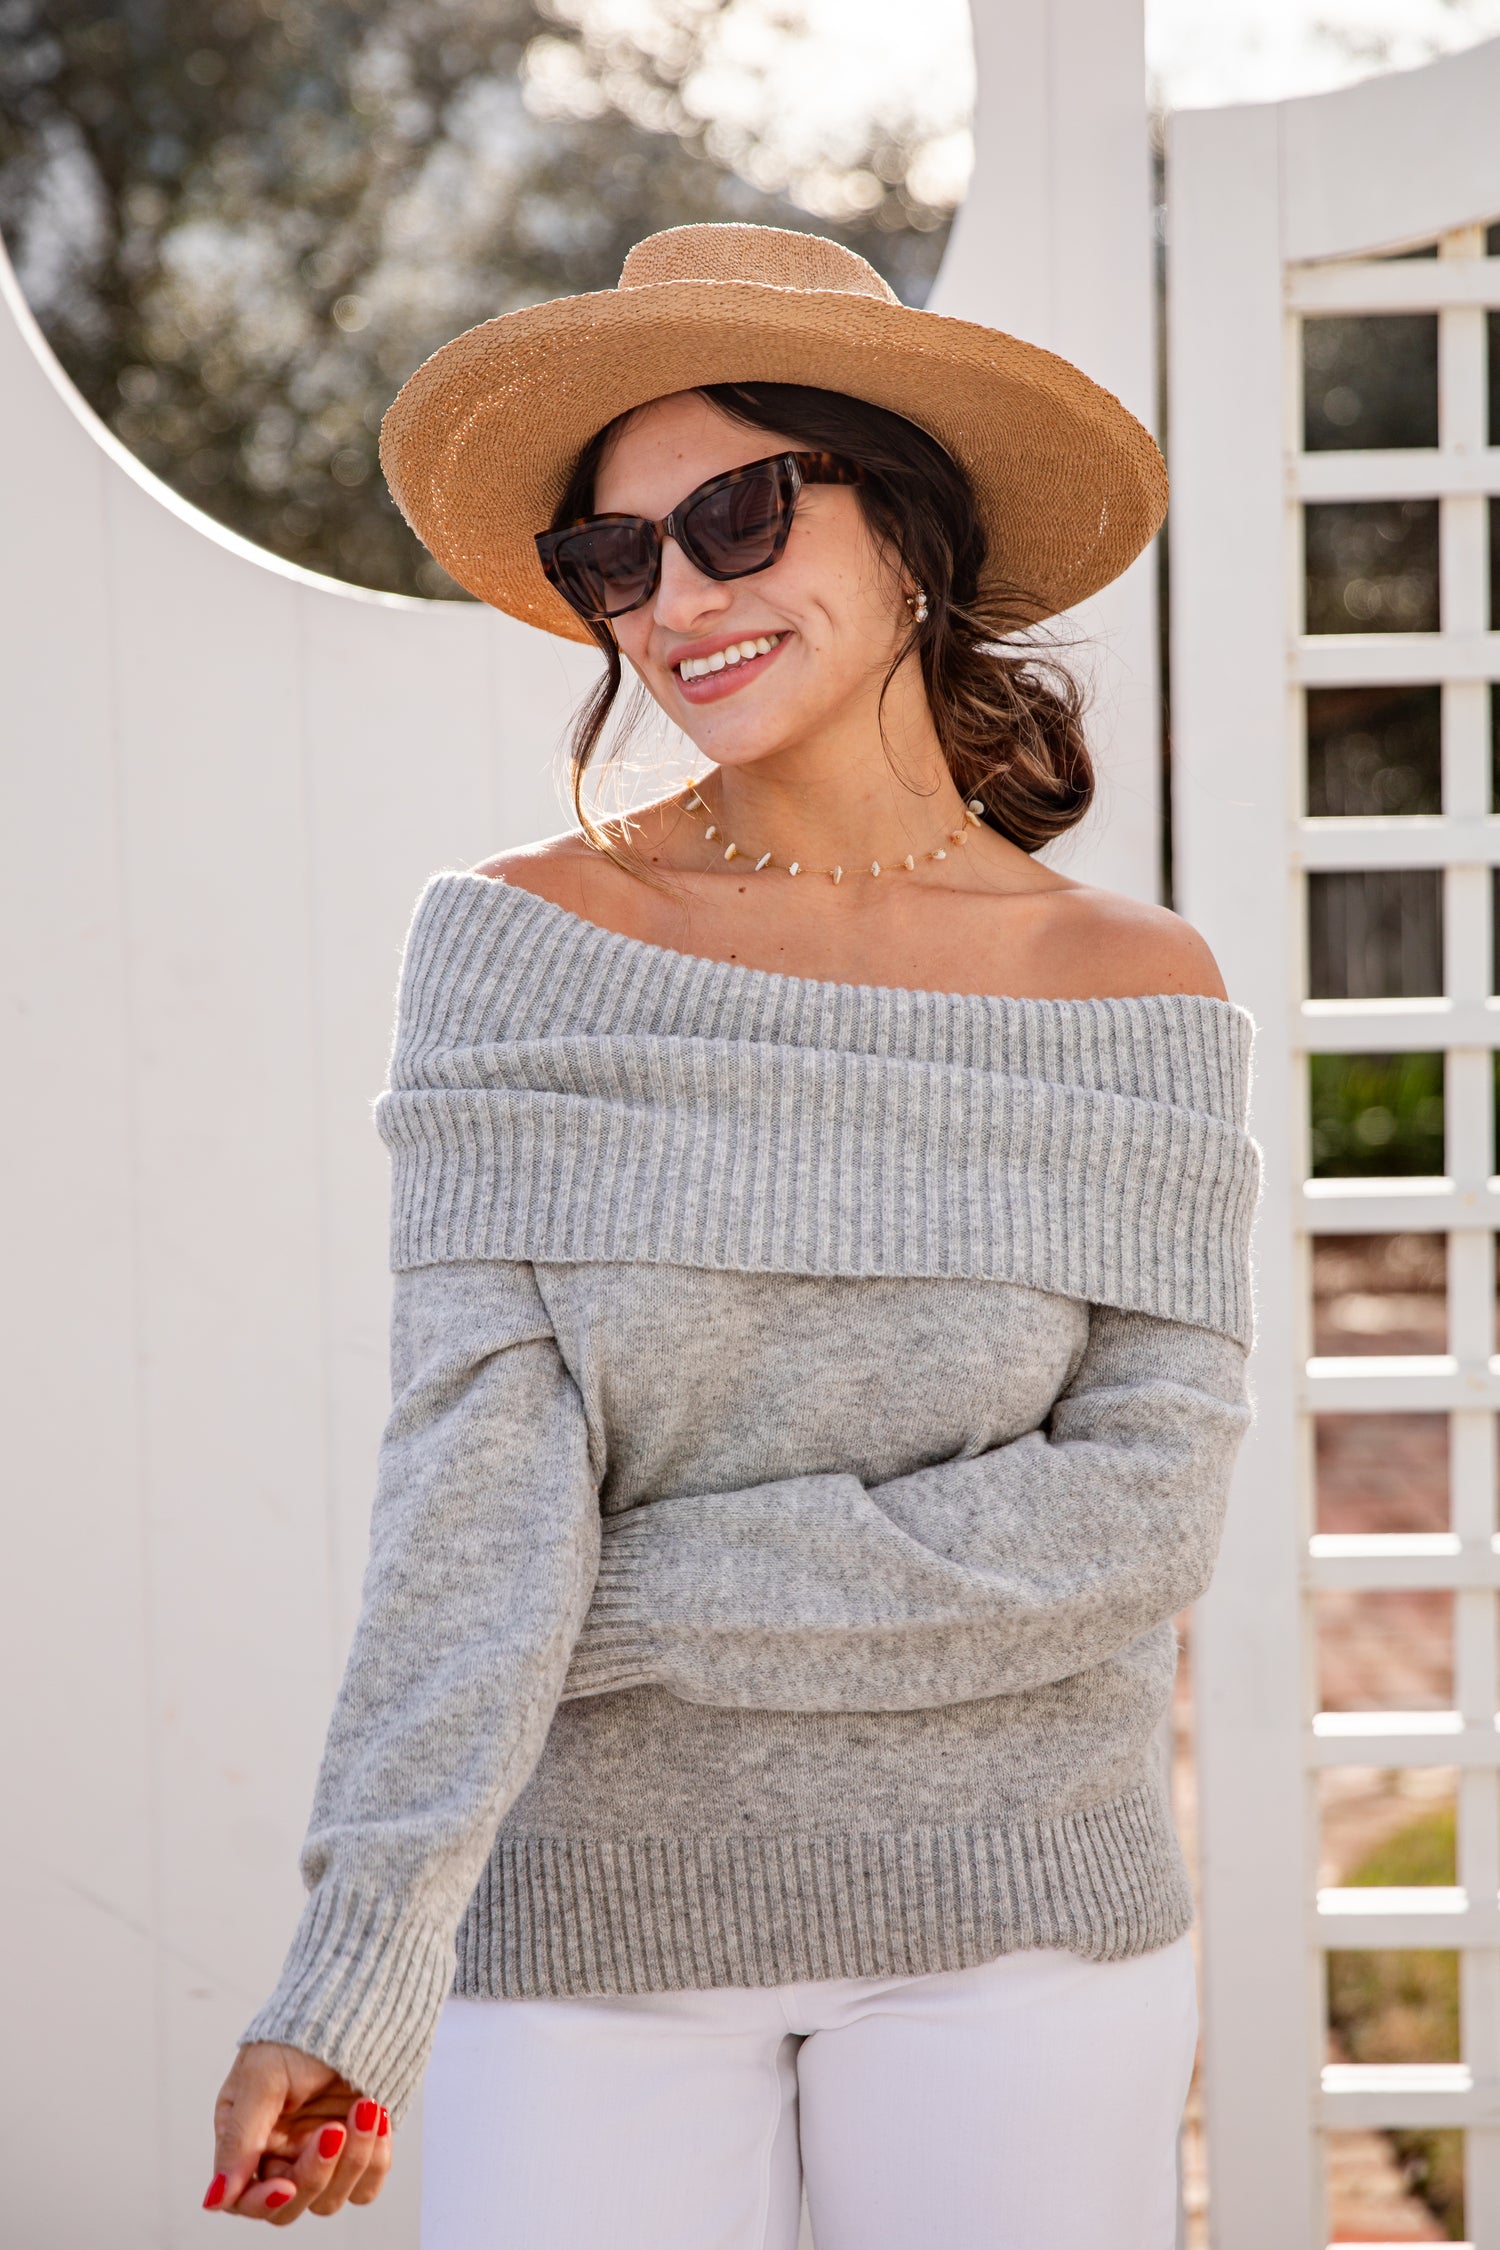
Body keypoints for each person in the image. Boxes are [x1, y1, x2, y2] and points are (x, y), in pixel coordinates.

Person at [205, 222, 1261, 2245]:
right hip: (581, 1928)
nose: (676, 599)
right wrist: (362, 1964)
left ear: (908, 528)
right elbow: (477, 1484)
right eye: (619, 561)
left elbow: (1137, 1516)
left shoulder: (1136, 989)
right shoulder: (517, 952)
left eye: (736, 515)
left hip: (1026, 1924)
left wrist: (605, 1604)